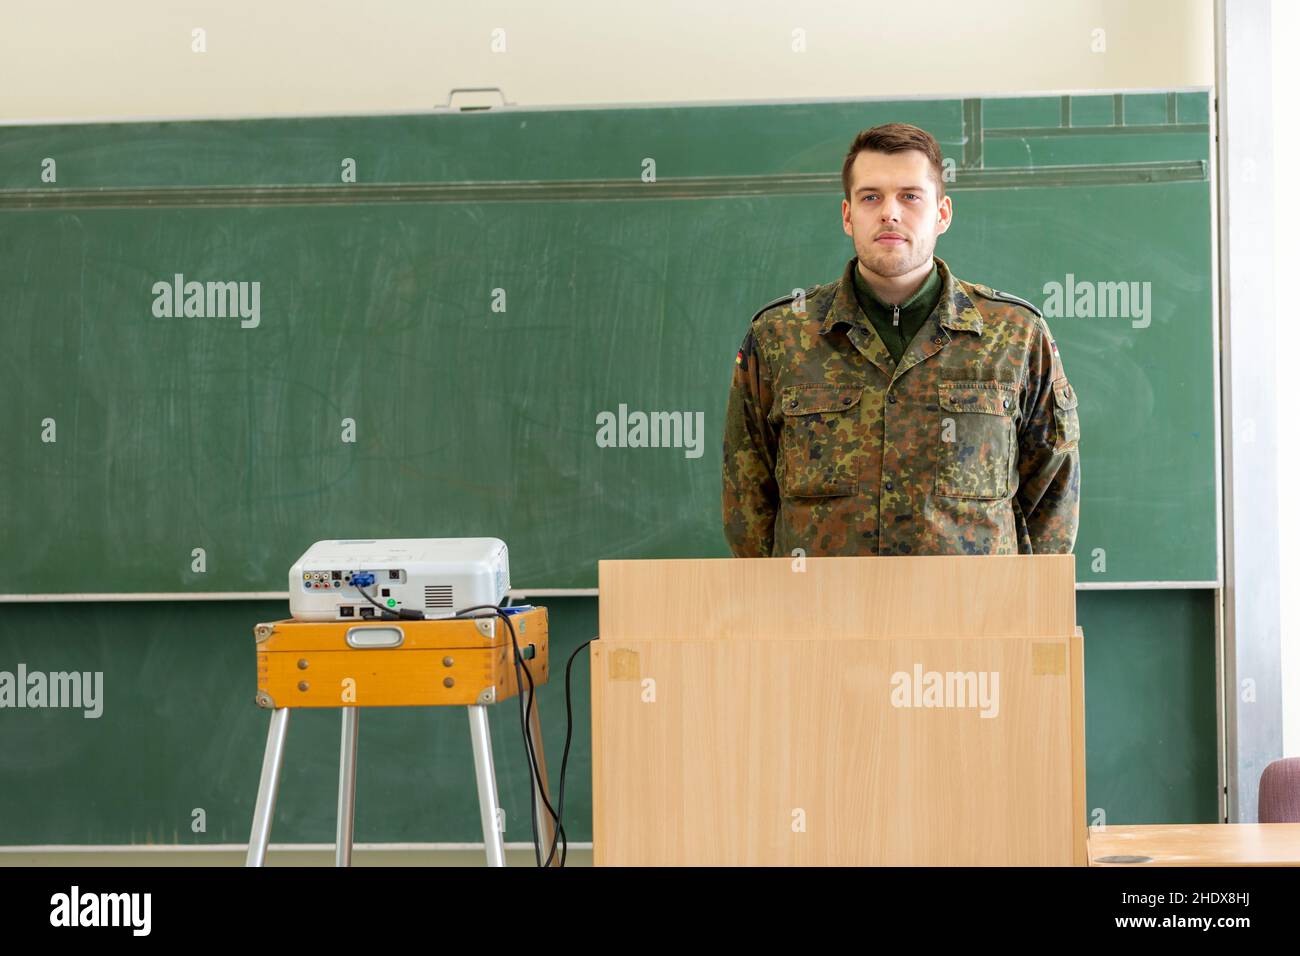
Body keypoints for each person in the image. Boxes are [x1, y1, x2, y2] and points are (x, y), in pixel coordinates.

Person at [722, 123, 1079, 558]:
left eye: (910, 196)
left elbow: (1052, 496)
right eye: (871, 197)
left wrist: (1019, 609)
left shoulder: (1015, 334)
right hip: (821, 618)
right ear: (848, 215)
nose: (890, 212)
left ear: (942, 214)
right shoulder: (780, 336)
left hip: (972, 620)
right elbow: (748, 502)